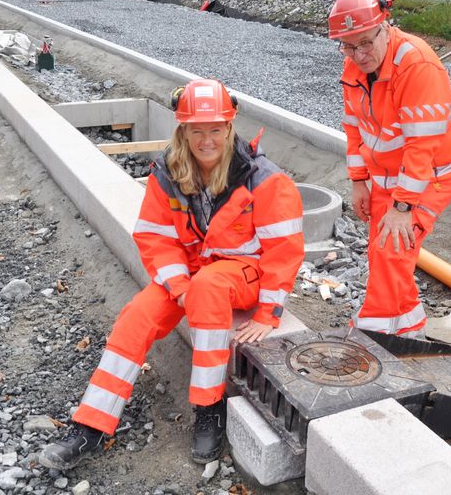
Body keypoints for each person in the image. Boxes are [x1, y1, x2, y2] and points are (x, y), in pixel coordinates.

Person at [39, 79, 304, 469]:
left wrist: (267, 313)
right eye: (197, 130)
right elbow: (155, 236)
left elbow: (284, 251)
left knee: (210, 288)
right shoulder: (168, 173)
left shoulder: (263, 179)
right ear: (183, 130)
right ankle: (91, 425)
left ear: (229, 127)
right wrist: (179, 285)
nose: (207, 139)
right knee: (137, 316)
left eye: (216, 129)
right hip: (190, 274)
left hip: (241, 275)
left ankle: (208, 408)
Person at [329, 0, 451, 338]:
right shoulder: (353, 69)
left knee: (392, 247)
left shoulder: (416, 65)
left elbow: (421, 147)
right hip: (387, 175)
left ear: (385, 26)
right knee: (382, 255)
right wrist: (359, 181)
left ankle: (370, 338)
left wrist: (403, 207)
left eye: (365, 42)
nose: (359, 54)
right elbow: (353, 129)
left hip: (431, 175)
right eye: (348, 45)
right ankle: (408, 330)